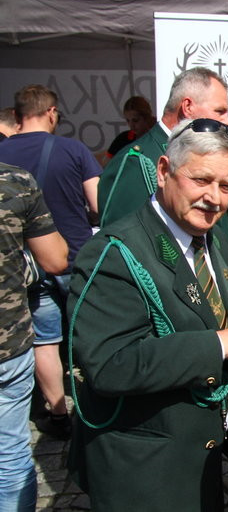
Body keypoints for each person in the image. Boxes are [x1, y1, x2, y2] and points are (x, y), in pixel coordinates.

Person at [67, 119, 228, 511]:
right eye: (201, 180)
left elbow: (212, 307)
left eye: (226, 186)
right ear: (163, 171)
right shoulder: (114, 253)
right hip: (146, 473)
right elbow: (110, 363)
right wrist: (221, 344)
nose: (214, 198)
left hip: (198, 457)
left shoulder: (205, 236)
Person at [0, 84, 102, 440]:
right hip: (75, 257)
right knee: (88, 333)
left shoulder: (2, 155)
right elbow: (98, 203)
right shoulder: (73, 149)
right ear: (52, 113)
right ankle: (99, 407)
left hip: (27, 266)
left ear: (16, 115)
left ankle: (58, 414)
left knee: (45, 340)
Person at [0, 164, 68, 512]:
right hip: (7, 341)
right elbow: (56, 259)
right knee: (9, 453)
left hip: (9, 344)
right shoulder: (13, 181)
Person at [98, 67, 228, 226]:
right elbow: (123, 239)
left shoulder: (198, 155)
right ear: (187, 107)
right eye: (220, 111)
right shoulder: (135, 163)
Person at [104, 95, 157, 161]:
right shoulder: (122, 139)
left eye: (135, 120)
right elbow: (107, 163)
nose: (131, 125)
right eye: (128, 120)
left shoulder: (157, 138)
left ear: (146, 118)